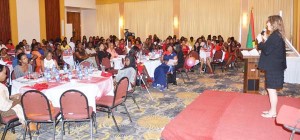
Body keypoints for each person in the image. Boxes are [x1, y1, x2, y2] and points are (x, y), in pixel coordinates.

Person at [256, 15, 287, 118]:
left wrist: (260, 40)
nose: (267, 24)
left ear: (274, 23)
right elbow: (270, 48)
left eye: (268, 22)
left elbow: (267, 50)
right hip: (275, 67)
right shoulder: (277, 35)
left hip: (274, 68)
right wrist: (265, 39)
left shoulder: (275, 36)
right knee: (271, 89)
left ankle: (273, 112)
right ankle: (272, 110)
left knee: (271, 89)